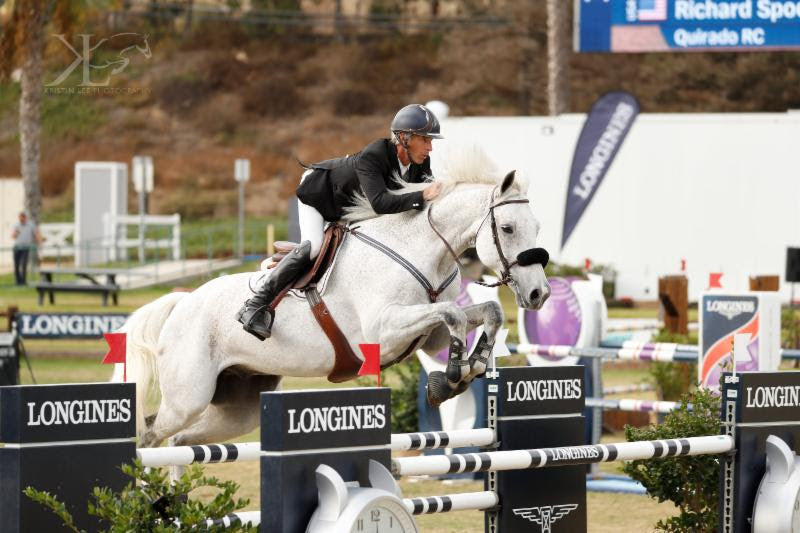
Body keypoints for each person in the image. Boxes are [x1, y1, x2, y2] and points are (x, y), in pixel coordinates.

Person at [237, 103, 444, 340]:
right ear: (404, 138)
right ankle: (255, 304)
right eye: (425, 139)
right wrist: (422, 195)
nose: (430, 147)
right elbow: (381, 203)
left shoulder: (420, 164)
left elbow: (428, 201)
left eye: (431, 141)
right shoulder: (375, 154)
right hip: (319, 194)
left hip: (350, 209)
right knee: (313, 246)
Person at [11, 211, 41, 286]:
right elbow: (13, 236)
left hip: (26, 247)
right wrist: (15, 233)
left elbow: (36, 234)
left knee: (24, 264)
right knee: (16, 265)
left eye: (22, 217)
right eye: (20, 217)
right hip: (17, 247)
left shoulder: (31, 225)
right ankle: (18, 281)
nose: (21, 219)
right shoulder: (16, 225)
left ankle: (23, 281)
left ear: (25, 217)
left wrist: (39, 243)